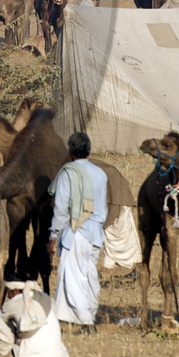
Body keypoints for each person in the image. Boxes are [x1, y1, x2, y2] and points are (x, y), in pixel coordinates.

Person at [48, 131, 108, 329]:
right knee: (90, 276)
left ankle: (86, 321)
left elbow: (61, 207)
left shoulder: (68, 173)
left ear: (71, 151)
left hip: (77, 232)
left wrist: (53, 235)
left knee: (74, 276)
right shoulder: (100, 173)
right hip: (96, 233)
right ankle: (89, 312)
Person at [1, 280, 73, 357]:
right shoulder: (45, 298)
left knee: (8, 326)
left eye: (8, 292)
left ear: (16, 290)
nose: (8, 296)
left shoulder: (14, 302)